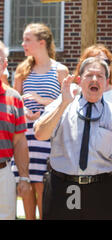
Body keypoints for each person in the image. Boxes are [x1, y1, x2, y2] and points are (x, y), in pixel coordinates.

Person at [35, 57, 112, 220]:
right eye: (89, 75)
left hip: (99, 189)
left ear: (106, 83)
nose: (94, 80)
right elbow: (40, 134)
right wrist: (63, 104)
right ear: (79, 80)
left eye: (100, 76)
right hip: (62, 186)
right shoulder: (62, 104)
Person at [12, 23, 69, 220]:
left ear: (41, 42)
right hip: (26, 136)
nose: (23, 43)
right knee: (26, 184)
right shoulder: (22, 70)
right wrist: (25, 110)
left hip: (48, 136)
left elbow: (68, 102)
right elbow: (14, 100)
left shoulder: (60, 70)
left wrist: (42, 103)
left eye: (27, 39)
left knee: (42, 185)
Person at [73, 44, 112, 220]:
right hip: (78, 173)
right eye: (95, 61)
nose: (101, 65)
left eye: (106, 62)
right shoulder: (75, 94)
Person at [0, 40, 31, 220]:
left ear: (4, 64)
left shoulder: (14, 98)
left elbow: (19, 142)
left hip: (4, 174)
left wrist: (24, 178)